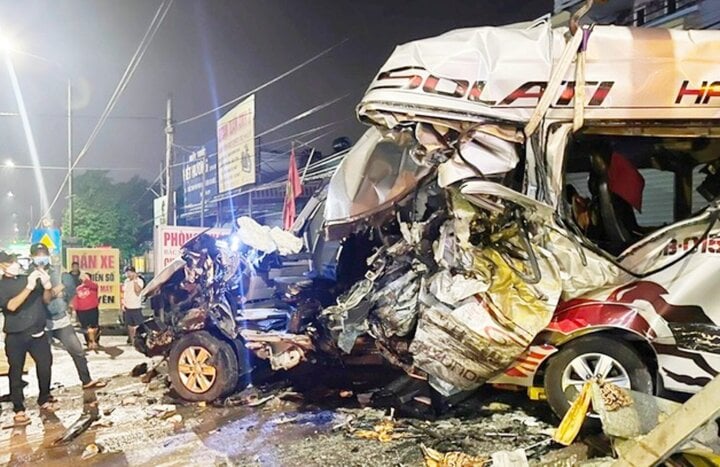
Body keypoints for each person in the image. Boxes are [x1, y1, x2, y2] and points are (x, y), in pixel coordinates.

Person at [29, 243, 105, 390]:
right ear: (32, 257)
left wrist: (60, 294)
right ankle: (45, 395)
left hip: (61, 320)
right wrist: (55, 290)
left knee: (78, 351)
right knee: (44, 361)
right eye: (37, 255)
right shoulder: (29, 275)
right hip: (41, 322)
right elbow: (36, 297)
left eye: (43, 254)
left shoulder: (57, 272)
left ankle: (86, 380)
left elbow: (70, 289)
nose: (41, 258)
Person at [0, 250, 53, 426]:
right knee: (16, 370)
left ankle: (44, 398)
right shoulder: (2, 286)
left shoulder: (26, 278)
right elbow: (12, 306)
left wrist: (47, 287)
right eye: (10, 262)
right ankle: (18, 408)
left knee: (45, 365)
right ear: (2, 266)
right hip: (15, 335)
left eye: (14, 261)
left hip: (37, 332)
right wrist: (29, 287)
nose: (15, 265)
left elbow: (46, 300)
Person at [72, 273, 100, 349]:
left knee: (94, 327)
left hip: (92, 309)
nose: (84, 278)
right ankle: (88, 342)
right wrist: (75, 309)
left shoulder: (93, 286)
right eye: (83, 277)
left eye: (86, 277)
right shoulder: (78, 288)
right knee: (85, 327)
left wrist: (86, 280)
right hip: (81, 311)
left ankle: (95, 341)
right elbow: (75, 299)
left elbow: (94, 286)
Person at [122, 266, 144, 345]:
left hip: (136, 307)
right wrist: (123, 304)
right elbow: (125, 293)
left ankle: (139, 341)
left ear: (133, 272)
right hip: (127, 307)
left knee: (138, 326)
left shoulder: (139, 281)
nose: (128, 274)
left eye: (129, 273)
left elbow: (137, 291)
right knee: (130, 326)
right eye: (127, 273)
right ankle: (132, 341)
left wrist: (135, 281)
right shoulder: (126, 281)